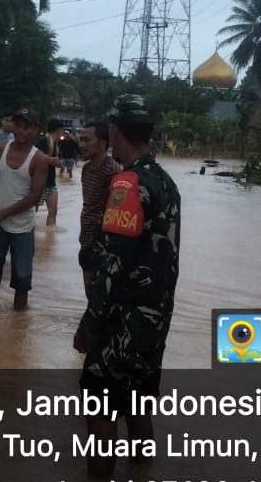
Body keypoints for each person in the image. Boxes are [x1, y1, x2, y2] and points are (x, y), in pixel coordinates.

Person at [73, 94, 181, 479]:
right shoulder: (166, 183)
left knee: (99, 410)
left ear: (115, 131)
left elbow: (113, 263)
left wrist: (90, 324)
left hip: (122, 321)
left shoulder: (127, 184)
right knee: (139, 404)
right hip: (156, 320)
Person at [0, 107, 49, 310]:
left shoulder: (39, 159)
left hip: (22, 228)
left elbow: (34, 197)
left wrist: (3, 214)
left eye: (26, 127)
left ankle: (19, 325)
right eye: (18, 126)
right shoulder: (0, 148)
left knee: (22, 282)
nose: (21, 131)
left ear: (35, 130)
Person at [76, 121, 121, 294]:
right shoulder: (86, 169)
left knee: (102, 296)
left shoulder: (114, 172)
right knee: (90, 292)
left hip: (103, 242)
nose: (82, 145)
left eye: (87, 140)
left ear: (102, 142)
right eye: (80, 139)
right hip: (86, 238)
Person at [34, 120, 65, 227]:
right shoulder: (43, 142)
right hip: (39, 183)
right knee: (32, 213)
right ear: (58, 130)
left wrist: (57, 163)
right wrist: (53, 161)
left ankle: (50, 237)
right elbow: (37, 159)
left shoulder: (56, 144)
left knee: (53, 211)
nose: (63, 133)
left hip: (51, 183)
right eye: (62, 131)